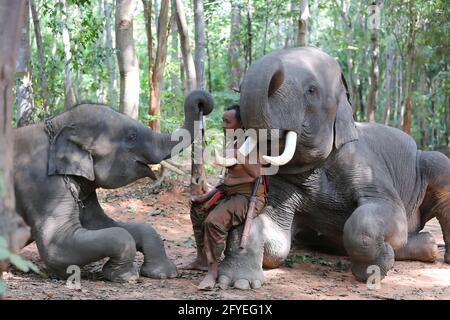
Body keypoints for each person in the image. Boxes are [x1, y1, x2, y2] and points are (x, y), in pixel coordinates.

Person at [184, 104, 267, 290]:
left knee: (213, 221)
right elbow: (227, 179)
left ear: (241, 123)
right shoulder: (233, 142)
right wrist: (206, 196)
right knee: (198, 209)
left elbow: (255, 173)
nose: (223, 125)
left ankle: (212, 271)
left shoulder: (252, 143)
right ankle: (202, 259)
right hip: (229, 193)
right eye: (223, 121)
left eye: (227, 121)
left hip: (247, 196)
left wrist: (239, 155)